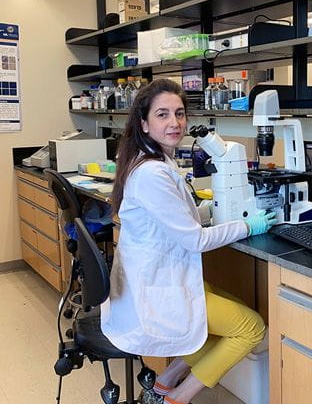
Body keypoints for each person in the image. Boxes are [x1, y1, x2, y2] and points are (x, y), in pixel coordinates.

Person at [101, 78, 277, 404]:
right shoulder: (152, 173)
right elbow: (194, 240)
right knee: (251, 328)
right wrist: (248, 226)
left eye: (179, 114)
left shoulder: (154, 160)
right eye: (163, 114)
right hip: (156, 291)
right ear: (144, 122)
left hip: (164, 278)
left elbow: (177, 217)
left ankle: (165, 381)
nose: (175, 123)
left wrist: (212, 207)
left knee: (214, 312)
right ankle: (177, 398)